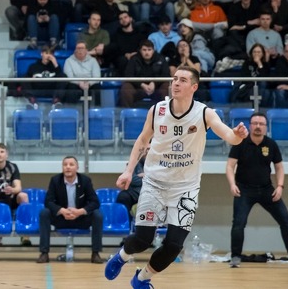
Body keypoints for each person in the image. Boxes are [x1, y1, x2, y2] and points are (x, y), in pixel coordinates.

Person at [105, 65, 249, 289]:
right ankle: (122, 256)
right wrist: (129, 170)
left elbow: (229, 136)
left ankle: (141, 279)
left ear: (194, 87)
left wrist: (238, 135)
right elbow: (142, 140)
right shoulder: (157, 110)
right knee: (142, 239)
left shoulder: (204, 113)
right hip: (154, 182)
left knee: (173, 245)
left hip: (185, 188)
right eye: (174, 79)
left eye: (182, 80)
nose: (176, 83)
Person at [226, 112, 288, 268]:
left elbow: (279, 167)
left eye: (261, 124)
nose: (258, 126)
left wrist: (280, 186)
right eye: (255, 123)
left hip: (267, 190)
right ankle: (235, 258)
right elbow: (230, 166)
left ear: (266, 127)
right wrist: (232, 184)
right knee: (238, 224)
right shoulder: (240, 143)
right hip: (244, 190)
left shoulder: (271, 144)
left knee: (285, 220)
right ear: (250, 126)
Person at [37, 156, 104, 264]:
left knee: (97, 215)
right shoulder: (55, 180)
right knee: (44, 213)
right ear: (62, 167)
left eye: (71, 164)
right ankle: (44, 253)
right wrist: (62, 211)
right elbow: (48, 202)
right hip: (62, 218)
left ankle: (95, 253)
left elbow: (95, 202)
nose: (68, 167)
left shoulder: (85, 181)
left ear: (77, 167)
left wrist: (80, 211)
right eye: (65, 164)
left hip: (80, 218)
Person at [119, 40, 170, 108]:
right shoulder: (134, 59)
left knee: (167, 86)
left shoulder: (161, 58)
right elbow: (128, 75)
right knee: (126, 88)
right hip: (138, 87)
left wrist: (154, 83)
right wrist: (142, 84)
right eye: (144, 50)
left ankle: (166, 110)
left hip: (157, 86)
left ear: (153, 50)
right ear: (140, 50)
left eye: (149, 50)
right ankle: (128, 111)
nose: (147, 52)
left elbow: (166, 75)